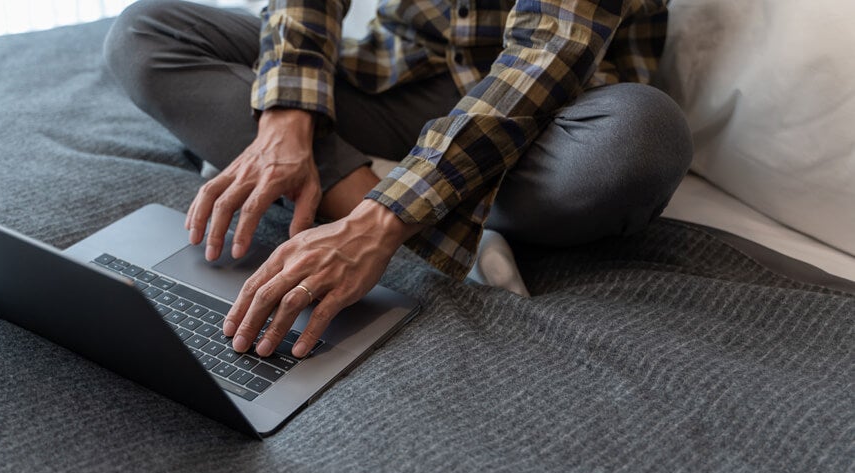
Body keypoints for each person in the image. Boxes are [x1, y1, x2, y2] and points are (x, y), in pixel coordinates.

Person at [104, 0, 692, 359]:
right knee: (145, 31)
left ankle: (372, 200)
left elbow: (547, 56)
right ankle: (415, 208)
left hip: (542, 122)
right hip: (395, 80)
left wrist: (377, 225)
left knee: (644, 140)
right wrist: (286, 119)